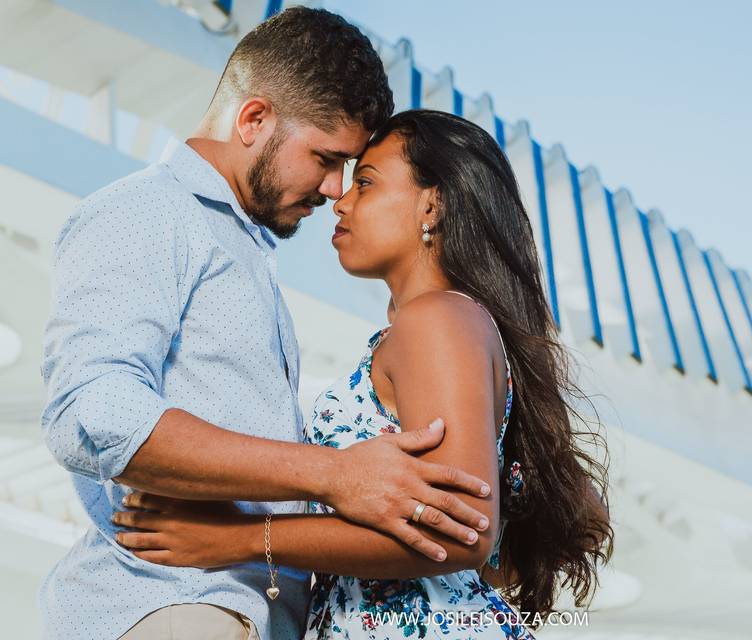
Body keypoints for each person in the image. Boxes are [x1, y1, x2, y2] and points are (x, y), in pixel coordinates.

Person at [40, 9, 492, 640]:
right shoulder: (146, 213)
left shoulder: (243, 252)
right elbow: (93, 414)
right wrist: (332, 473)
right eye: (328, 159)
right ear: (254, 120)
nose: (336, 189)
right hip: (174, 607)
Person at [113, 109, 615, 639]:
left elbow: (464, 531)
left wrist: (234, 539)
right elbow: (579, 514)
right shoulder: (446, 326)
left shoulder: (438, 319)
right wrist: (464, 586)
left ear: (432, 201)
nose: (341, 201)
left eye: (367, 184)